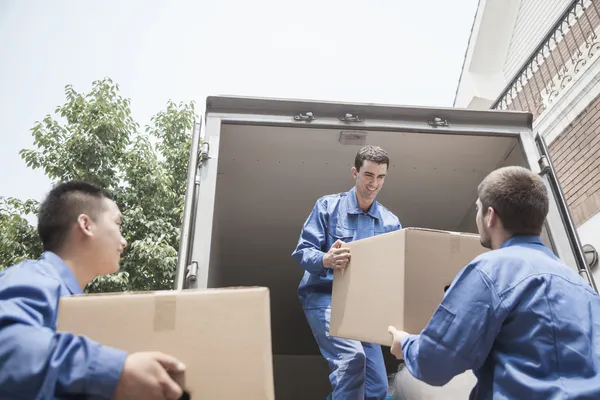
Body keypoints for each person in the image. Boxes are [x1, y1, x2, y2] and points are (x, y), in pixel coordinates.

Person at [388, 166, 600, 399]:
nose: (477, 216)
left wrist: (405, 344)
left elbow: (434, 363)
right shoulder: (581, 286)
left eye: (478, 209)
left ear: (491, 216)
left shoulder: (489, 271)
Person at [0, 181, 186, 400]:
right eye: (117, 224)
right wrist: (117, 372)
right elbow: (7, 343)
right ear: (86, 225)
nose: (124, 241)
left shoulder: (73, 302)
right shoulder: (34, 275)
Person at [292, 145, 402, 399]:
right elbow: (302, 251)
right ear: (355, 172)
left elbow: (394, 272)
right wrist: (326, 259)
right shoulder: (327, 207)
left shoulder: (390, 222)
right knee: (353, 360)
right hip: (325, 298)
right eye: (368, 175)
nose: (374, 183)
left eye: (381, 177)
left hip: (364, 307)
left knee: (377, 387)